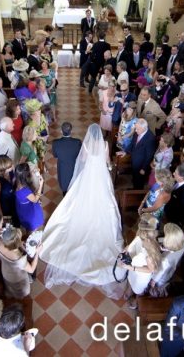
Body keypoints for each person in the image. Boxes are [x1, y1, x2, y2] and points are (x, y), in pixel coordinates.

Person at [41, 124, 125, 297]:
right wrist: (108, 169)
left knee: (81, 199)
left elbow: (83, 161)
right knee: (105, 201)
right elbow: (107, 162)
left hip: (89, 175)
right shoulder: (105, 145)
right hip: (101, 176)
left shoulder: (85, 145)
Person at [118, 214, 161, 308]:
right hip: (133, 269)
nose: (139, 233)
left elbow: (150, 270)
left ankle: (137, 300)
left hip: (141, 275)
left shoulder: (149, 254)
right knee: (130, 279)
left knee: (138, 289)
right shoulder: (140, 235)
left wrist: (131, 267)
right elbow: (135, 242)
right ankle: (129, 290)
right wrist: (127, 248)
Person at [0, 226, 41, 299]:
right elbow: (32, 269)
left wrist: (19, 245)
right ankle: (23, 300)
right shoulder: (19, 259)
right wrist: (37, 253)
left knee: (10, 288)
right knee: (22, 292)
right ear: (16, 243)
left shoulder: (0, 243)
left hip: (5, 272)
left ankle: (12, 296)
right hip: (17, 279)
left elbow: (10, 247)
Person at [149, 223, 184, 297]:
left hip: (161, 277)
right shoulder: (183, 243)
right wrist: (165, 247)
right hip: (172, 267)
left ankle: (159, 293)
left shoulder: (165, 260)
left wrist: (153, 282)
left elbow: (159, 272)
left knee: (159, 286)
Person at [51, 122, 82, 195]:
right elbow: (79, 155)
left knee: (64, 187)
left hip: (62, 168)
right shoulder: (77, 142)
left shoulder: (55, 143)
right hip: (74, 166)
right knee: (73, 187)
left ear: (61, 131)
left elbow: (55, 155)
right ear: (71, 131)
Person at [14, 163, 44, 233]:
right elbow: (35, 200)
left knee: (27, 226)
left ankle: (28, 231)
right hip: (29, 212)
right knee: (32, 228)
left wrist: (32, 171)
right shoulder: (25, 191)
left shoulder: (17, 181)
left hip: (22, 208)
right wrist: (41, 185)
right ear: (26, 176)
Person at [0, 156, 17, 221]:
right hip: (5, 207)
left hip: (12, 202)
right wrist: (0, 214)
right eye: (10, 166)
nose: (13, 166)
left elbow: (12, 184)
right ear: (3, 169)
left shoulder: (10, 173)